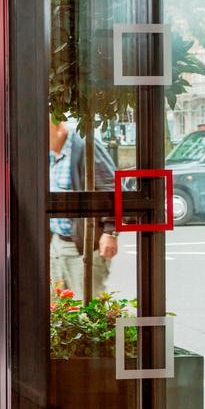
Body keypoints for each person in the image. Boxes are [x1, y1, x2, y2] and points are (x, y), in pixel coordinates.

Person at [48, 119, 118, 296]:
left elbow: (112, 188)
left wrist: (111, 231)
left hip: (83, 246)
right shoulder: (50, 153)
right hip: (57, 244)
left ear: (59, 128)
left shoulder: (85, 146)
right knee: (60, 310)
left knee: (88, 308)